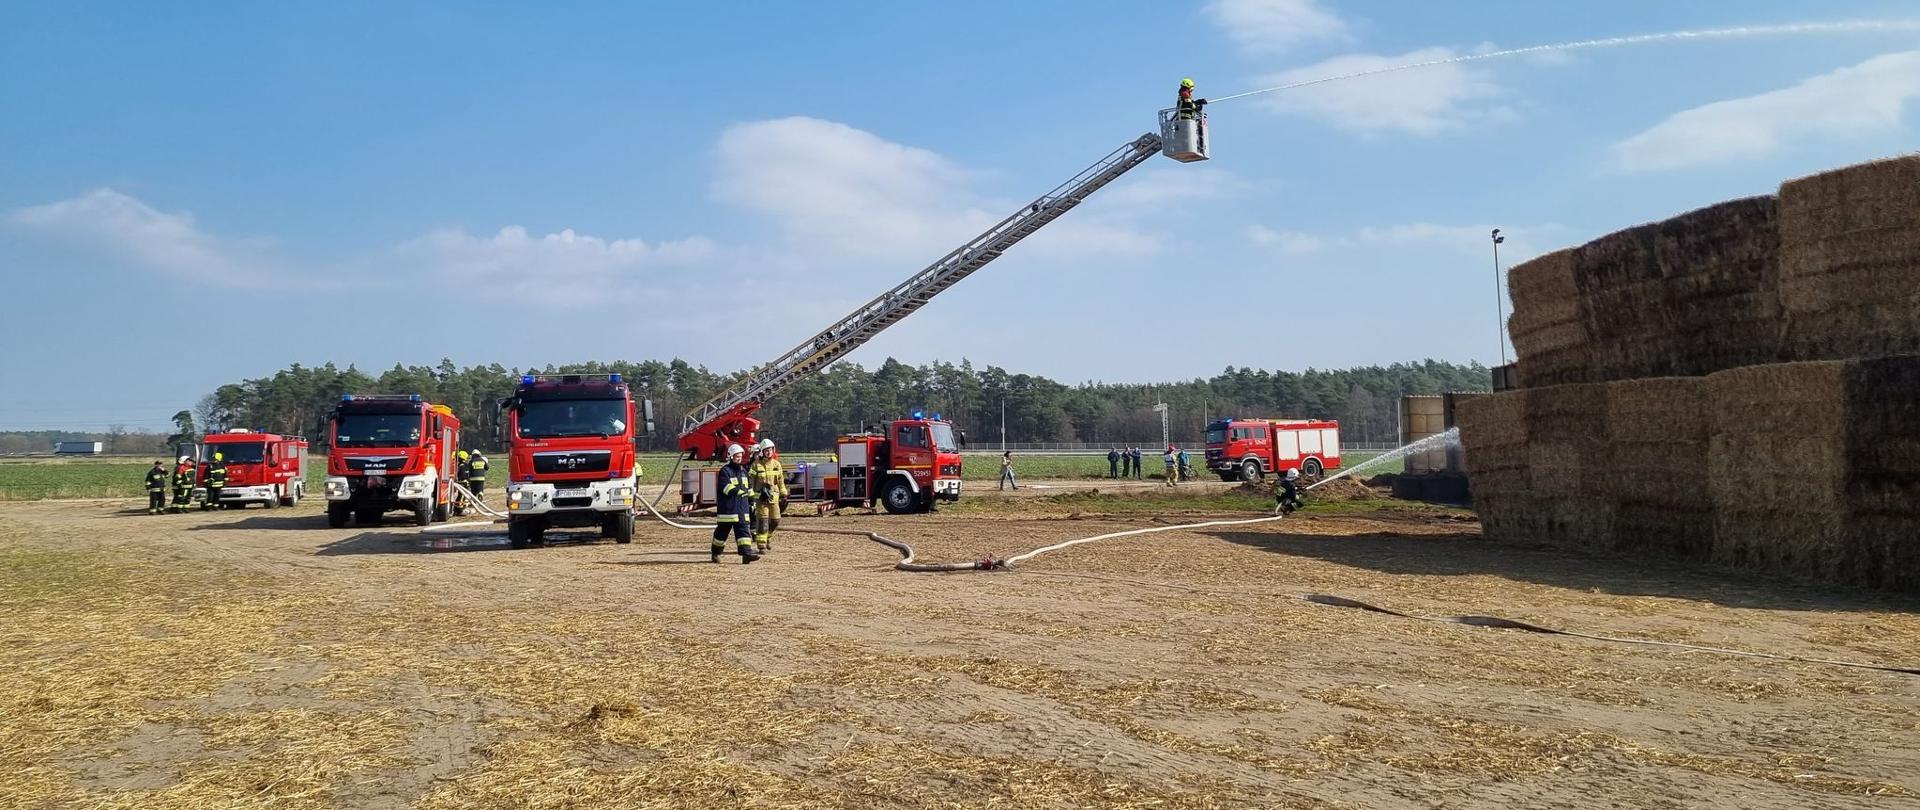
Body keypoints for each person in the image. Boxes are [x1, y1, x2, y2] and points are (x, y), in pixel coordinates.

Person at [712, 443, 760, 564]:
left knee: (744, 533)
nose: (738, 458)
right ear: (730, 456)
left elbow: (748, 488)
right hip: (728, 511)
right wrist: (739, 492)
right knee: (721, 535)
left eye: (740, 456)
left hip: (742, 509)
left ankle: (746, 554)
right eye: (736, 456)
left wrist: (752, 502)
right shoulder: (725, 471)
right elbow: (725, 487)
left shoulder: (743, 471)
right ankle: (716, 553)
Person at [748, 438, 785, 553]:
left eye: (770, 450)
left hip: (773, 497)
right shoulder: (756, 465)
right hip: (761, 499)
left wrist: (783, 493)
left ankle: (768, 536)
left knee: (775, 520)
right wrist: (751, 495)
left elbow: (780, 480)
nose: (768, 452)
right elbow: (750, 480)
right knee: (763, 521)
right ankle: (761, 545)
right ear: (762, 452)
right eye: (766, 450)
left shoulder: (777, 464)